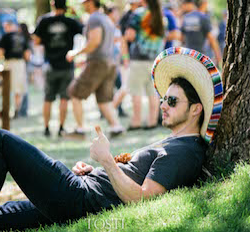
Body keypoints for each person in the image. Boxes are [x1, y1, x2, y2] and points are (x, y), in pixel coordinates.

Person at [0, 47, 223, 232]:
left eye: (172, 100)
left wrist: (106, 160)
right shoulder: (173, 143)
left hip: (79, 198)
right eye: (163, 98)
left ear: (196, 108)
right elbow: (130, 180)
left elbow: (144, 200)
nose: (163, 105)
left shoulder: (186, 151)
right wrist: (95, 169)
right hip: (81, 189)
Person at [66, 0, 124, 139]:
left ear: (91, 2)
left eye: (84, 2)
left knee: (74, 92)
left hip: (98, 62)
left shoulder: (94, 18)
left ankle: (80, 130)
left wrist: (75, 53)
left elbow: (95, 41)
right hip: (110, 62)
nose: (82, 5)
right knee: (104, 99)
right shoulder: (105, 18)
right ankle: (116, 127)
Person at [34, 0, 83, 137]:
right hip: (67, 65)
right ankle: (61, 127)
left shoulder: (44, 21)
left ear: (52, 4)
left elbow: (36, 41)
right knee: (64, 99)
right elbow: (84, 29)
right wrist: (75, 13)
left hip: (50, 64)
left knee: (48, 99)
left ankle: (46, 128)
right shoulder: (70, 21)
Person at [124, 0, 164, 131]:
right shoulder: (161, 16)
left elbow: (130, 35)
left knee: (136, 92)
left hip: (138, 59)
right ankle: (152, 122)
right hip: (155, 59)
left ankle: (136, 122)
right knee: (152, 93)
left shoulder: (138, 14)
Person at [0, 20, 31, 119]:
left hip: (9, 63)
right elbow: (27, 55)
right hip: (20, 64)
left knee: (6, 88)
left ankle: (6, 110)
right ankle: (16, 110)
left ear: (8, 26)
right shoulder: (22, 37)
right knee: (18, 89)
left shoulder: (5, 37)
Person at [180, 0, 222, 65]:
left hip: (187, 55)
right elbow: (212, 39)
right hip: (200, 56)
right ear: (203, 4)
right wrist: (218, 57)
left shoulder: (186, 17)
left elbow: (181, 38)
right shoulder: (203, 17)